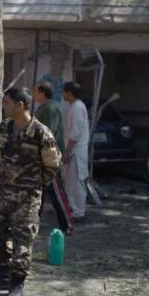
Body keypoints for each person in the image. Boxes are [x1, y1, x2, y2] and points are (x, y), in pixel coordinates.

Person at [0, 87, 62, 296]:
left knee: (22, 242)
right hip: (2, 193)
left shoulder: (41, 133)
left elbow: (53, 165)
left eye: (7, 103)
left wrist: (34, 186)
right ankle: (4, 271)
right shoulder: (5, 127)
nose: (3, 107)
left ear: (21, 105)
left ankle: (17, 283)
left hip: (26, 198)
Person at [34, 82, 74, 235]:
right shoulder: (43, 108)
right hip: (42, 157)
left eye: (35, 91)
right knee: (39, 193)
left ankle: (67, 225)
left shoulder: (50, 109)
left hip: (50, 158)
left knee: (56, 194)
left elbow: (47, 133)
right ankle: (34, 224)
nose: (33, 94)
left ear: (42, 93)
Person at [61, 82, 90, 222]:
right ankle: (73, 209)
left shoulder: (77, 108)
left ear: (69, 93)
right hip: (74, 149)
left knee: (76, 183)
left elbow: (75, 134)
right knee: (70, 183)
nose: (62, 94)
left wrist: (67, 152)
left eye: (63, 92)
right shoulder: (74, 107)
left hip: (76, 151)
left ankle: (79, 212)